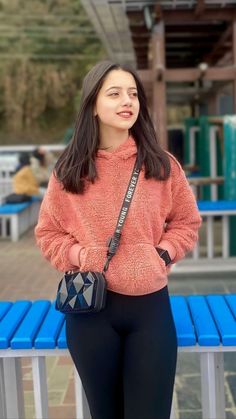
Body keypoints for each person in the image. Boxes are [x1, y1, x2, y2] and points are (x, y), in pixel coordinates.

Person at [35, 61, 202, 419]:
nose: (127, 101)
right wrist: (81, 254)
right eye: (114, 93)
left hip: (150, 309)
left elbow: (187, 222)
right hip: (91, 311)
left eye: (132, 93)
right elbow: (48, 233)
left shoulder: (161, 164)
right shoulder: (69, 169)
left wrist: (161, 253)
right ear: (93, 104)